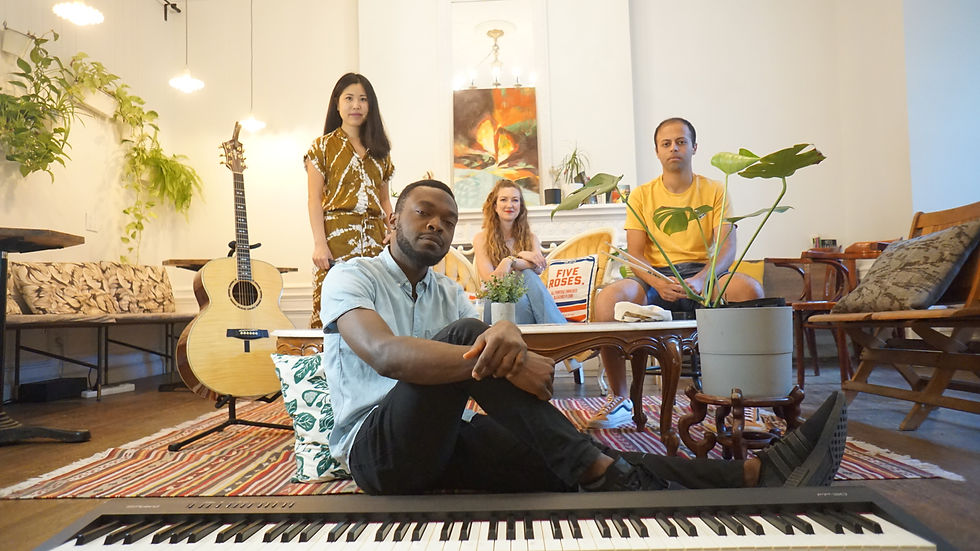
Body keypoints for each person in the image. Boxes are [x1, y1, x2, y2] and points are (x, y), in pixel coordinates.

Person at [319, 178, 846, 495]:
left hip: (444, 441)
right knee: (470, 333)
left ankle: (753, 475)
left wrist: (507, 340)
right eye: (423, 213)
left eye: (448, 219)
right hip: (378, 454)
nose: (436, 224)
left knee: (573, 453)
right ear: (392, 220)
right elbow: (386, 355)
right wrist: (510, 355)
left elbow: (486, 346)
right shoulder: (352, 276)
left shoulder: (446, 290)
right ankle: (596, 468)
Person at [587, 117, 765, 430]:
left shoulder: (715, 189)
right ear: (657, 151)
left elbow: (726, 248)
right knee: (607, 300)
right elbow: (636, 254)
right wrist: (658, 281)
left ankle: (747, 401)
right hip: (655, 276)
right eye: (666, 143)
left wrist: (703, 279)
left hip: (702, 274)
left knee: (750, 290)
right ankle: (619, 398)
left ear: (694, 147)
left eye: (681, 142)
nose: (674, 148)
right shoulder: (641, 195)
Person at [305, 72, 394, 328]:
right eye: (349, 98)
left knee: (377, 310)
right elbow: (314, 200)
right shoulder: (321, 147)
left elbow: (384, 200)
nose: (356, 105)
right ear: (337, 103)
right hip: (337, 242)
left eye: (363, 99)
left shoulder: (381, 151)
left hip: (376, 243)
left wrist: (393, 232)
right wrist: (320, 244)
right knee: (331, 311)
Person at [472, 179, 583, 373]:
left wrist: (511, 261)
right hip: (496, 301)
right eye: (504, 199)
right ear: (494, 206)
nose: (510, 205)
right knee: (527, 276)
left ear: (521, 206)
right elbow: (491, 280)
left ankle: (524, 363)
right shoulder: (481, 238)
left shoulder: (530, 238)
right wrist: (516, 260)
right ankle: (567, 345)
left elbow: (538, 267)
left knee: (526, 285)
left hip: (522, 300)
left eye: (515, 200)